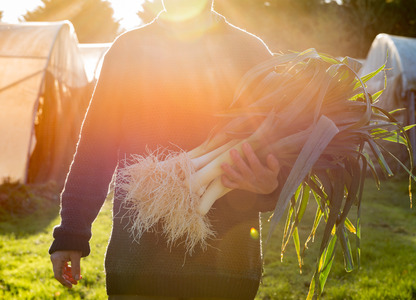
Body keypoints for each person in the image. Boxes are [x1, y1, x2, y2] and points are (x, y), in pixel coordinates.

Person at [50, 1, 283, 299]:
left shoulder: (250, 52)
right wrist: (71, 232)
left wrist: (270, 187)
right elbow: (96, 147)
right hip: (137, 264)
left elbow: (279, 151)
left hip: (227, 268)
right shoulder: (128, 50)